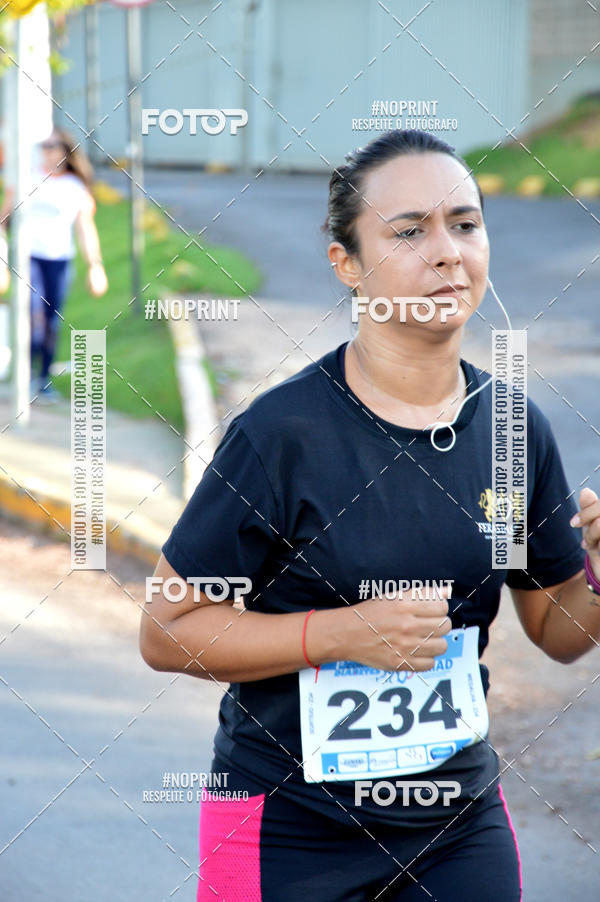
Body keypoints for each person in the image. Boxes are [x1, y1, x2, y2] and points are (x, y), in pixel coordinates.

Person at [139, 129, 600, 902]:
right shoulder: (282, 436)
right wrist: (340, 636)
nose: (448, 251)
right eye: (410, 231)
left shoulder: (514, 432)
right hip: (286, 828)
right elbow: (167, 630)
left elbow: (558, 629)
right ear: (346, 264)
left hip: (457, 829)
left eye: (465, 222)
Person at [0, 126, 108, 401]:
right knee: (33, 315)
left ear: (64, 151)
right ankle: (24, 375)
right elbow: (4, 220)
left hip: (59, 259)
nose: (47, 152)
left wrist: (95, 266)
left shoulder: (76, 187)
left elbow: (86, 228)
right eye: (44, 146)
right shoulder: (27, 178)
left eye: (52, 146)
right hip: (29, 258)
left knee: (51, 322)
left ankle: (43, 377)